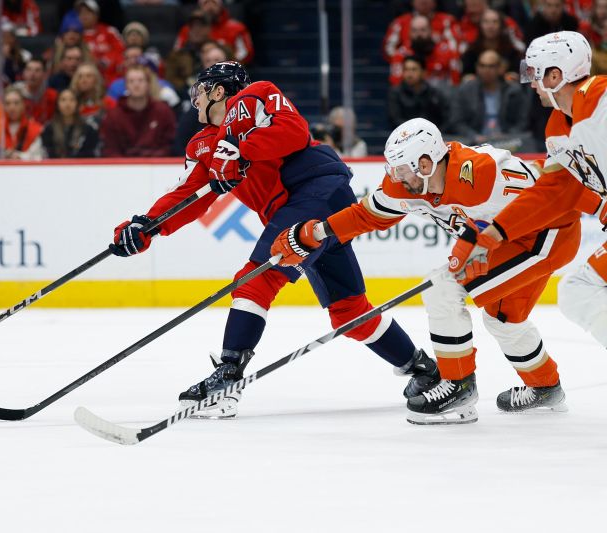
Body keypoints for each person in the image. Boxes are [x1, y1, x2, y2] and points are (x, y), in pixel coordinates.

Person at [109, 62, 439, 418]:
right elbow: (189, 195)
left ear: (218, 91)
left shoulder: (256, 96)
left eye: (201, 91)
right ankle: (425, 370)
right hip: (300, 211)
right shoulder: (203, 145)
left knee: (255, 279)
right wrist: (146, 226)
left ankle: (228, 377)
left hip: (317, 189)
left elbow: (294, 132)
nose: (196, 100)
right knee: (349, 310)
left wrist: (242, 149)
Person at [273, 118, 584, 423]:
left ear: (426, 163)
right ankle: (545, 386)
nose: (397, 177)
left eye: (403, 169)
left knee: (442, 287)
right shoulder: (408, 184)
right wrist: (315, 233)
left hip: (547, 234)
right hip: (507, 241)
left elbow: (549, 197)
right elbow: (366, 214)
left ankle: (458, 385)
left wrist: (477, 236)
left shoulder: (482, 173)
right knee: (503, 318)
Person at [450, 31, 607, 353]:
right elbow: (553, 191)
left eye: (535, 74)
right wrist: (494, 233)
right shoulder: (557, 127)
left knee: (580, 291)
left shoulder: (600, 97)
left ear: (556, 74)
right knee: (578, 292)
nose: (531, 83)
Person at [450, 49, 529, 145]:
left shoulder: (513, 91)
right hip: (474, 143)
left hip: (508, 143)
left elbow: (522, 121)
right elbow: (457, 121)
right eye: (482, 66)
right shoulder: (466, 90)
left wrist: (507, 136)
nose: (486, 70)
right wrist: (474, 136)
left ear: (500, 68)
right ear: (477, 67)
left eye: (491, 66)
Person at [99, 64, 176, 156]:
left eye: (141, 80)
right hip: (121, 167)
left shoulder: (163, 111)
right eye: (131, 81)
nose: (136, 85)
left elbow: (169, 145)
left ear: (148, 84)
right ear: (126, 85)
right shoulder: (114, 115)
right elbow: (110, 149)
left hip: (156, 166)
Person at [389, 14, 462, 90]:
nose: (419, 34)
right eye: (414, 30)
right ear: (409, 33)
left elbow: (455, 83)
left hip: (440, 96)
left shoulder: (447, 52)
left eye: (423, 30)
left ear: (431, 30)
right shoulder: (400, 54)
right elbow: (396, 86)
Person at [174, 0, 254, 64]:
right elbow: (177, 54)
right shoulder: (188, 29)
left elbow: (246, 55)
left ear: (221, 4)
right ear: (199, 5)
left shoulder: (236, 28)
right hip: (195, 72)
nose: (210, 7)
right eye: (206, 3)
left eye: (213, 2)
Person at [387, 55, 451, 128]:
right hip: (405, 136)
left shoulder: (434, 93)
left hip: (432, 136)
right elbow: (395, 119)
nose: (409, 74)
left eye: (414, 69)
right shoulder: (395, 93)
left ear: (424, 72)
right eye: (406, 69)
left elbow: (445, 119)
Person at [40, 88, 100, 157]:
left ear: (77, 104)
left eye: (72, 100)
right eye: (63, 100)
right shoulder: (49, 129)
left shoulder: (88, 129)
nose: (67, 104)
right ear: (57, 104)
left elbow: (91, 155)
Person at [2, 86, 45, 160]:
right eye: (8, 103)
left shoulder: (35, 128)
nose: (12, 107)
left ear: (23, 105)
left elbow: (38, 157)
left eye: (16, 103)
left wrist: (19, 157)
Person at [14, 57, 58, 124]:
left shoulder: (52, 96)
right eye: (29, 70)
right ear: (24, 73)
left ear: (44, 74)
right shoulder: (14, 95)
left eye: (37, 70)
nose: (32, 74)